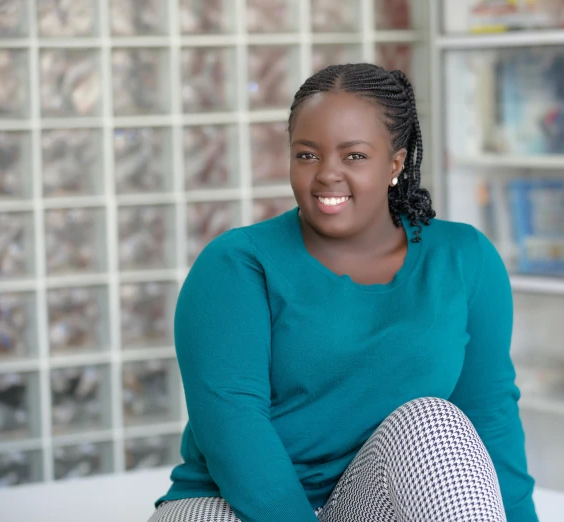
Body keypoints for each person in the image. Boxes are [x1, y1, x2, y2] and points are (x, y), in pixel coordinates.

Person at [149, 63, 538, 522]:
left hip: (370, 500)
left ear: (395, 162)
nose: (326, 175)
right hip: (231, 504)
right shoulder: (237, 264)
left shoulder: (464, 258)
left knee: (438, 424)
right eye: (307, 155)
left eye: (353, 156)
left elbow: (490, 414)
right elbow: (233, 428)